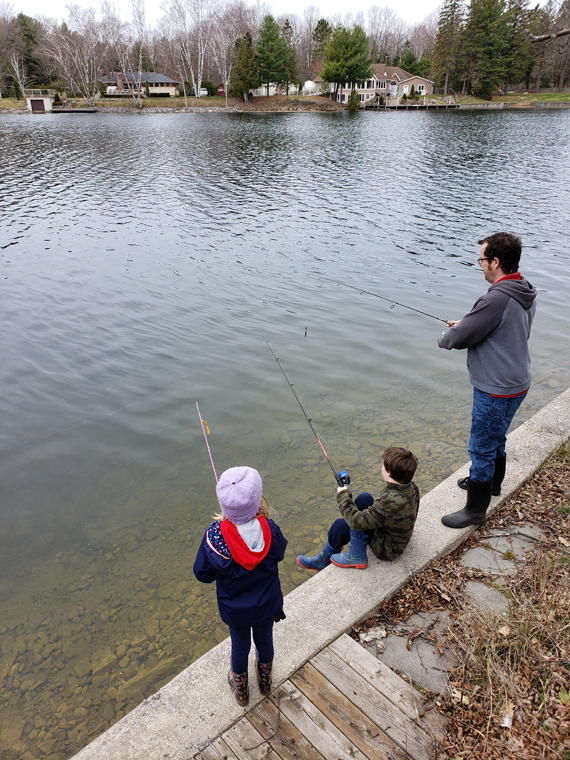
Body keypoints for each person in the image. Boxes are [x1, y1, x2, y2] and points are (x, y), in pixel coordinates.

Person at [438, 232, 537, 529]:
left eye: (482, 259)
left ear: (495, 262)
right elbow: (496, 326)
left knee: (481, 444)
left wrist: (449, 335)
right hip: (517, 380)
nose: (480, 265)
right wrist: (469, 323)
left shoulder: (496, 297)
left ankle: (476, 509)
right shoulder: (523, 288)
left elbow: (456, 339)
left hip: (497, 387)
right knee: (497, 436)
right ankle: (492, 484)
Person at [193, 466, 287, 706]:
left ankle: (242, 692)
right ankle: (265, 683)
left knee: (239, 647)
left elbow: (202, 574)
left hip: (236, 611)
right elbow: (280, 552)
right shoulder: (270, 530)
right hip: (267, 605)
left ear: (224, 505)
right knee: (265, 642)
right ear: (257, 502)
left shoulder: (213, 538)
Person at [296, 447, 419, 571]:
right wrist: (405, 527)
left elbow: (355, 521)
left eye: (383, 466)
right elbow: (414, 507)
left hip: (386, 549)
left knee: (340, 525)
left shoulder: (387, 503)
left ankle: (350, 557)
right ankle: (325, 557)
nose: (381, 468)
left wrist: (343, 495)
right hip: (394, 535)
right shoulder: (411, 487)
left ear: (389, 473)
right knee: (364, 498)